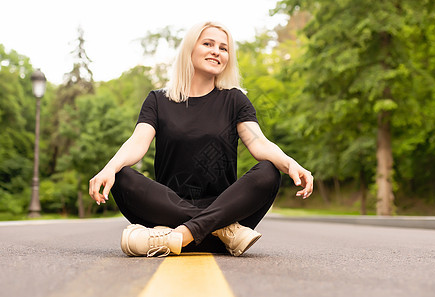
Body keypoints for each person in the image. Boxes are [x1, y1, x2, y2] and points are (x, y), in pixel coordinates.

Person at [89, 21, 313, 258]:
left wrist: (290, 164)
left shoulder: (235, 100)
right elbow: (137, 142)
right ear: (190, 49)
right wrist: (110, 168)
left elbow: (260, 143)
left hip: (226, 208)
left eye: (223, 48)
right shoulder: (158, 100)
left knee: (269, 172)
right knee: (122, 175)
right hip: (171, 210)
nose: (217, 51)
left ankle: (179, 236)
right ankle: (221, 231)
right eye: (208, 44)